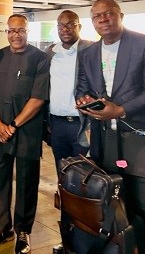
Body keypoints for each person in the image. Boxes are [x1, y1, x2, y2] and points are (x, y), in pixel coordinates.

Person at [76, 0, 145, 254]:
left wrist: (121, 110)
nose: (103, 19)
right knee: (114, 207)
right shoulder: (88, 53)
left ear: (120, 15)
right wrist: (83, 101)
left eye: (109, 14)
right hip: (104, 142)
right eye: (96, 16)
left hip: (139, 141)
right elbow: (82, 88)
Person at [0, 14, 49, 254]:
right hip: (0, 131)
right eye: (11, 30)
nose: (15, 35)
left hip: (27, 132)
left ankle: (23, 231)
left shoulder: (40, 59)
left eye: (20, 30)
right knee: (0, 182)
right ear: (7, 32)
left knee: (26, 183)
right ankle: (3, 228)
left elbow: (38, 98)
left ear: (28, 31)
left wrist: (12, 125)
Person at [45, 10, 93, 169]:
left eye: (70, 25)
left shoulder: (91, 50)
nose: (65, 29)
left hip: (82, 123)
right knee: (62, 169)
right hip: (57, 123)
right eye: (61, 25)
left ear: (79, 26)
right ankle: (63, 195)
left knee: (82, 170)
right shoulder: (51, 52)